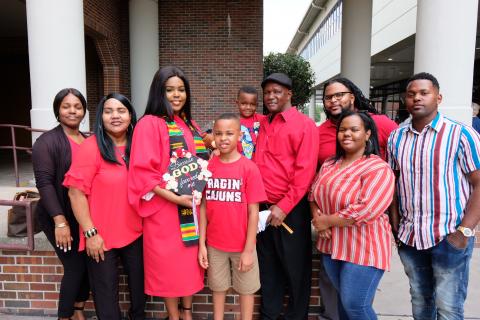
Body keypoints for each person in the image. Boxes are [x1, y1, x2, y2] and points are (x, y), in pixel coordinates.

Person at [388, 72, 480, 319]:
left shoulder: (461, 134)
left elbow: (479, 183)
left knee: (449, 308)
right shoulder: (396, 138)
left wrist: (465, 232)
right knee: (420, 301)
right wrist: (396, 225)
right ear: (405, 100)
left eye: (424, 93)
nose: (417, 98)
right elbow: (393, 183)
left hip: (449, 237)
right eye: (411, 94)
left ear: (438, 98)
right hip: (410, 238)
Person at [128, 66, 207, 320]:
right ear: (158, 92)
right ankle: (173, 316)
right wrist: (177, 198)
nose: (176, 95)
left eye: (181, 90)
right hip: (165, 210)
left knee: (189, 263)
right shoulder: (149, 124)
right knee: (169, 266)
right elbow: (144, 173)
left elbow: (199, 158)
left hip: (191, 206)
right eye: (169, 89)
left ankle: (186, 312)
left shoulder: (189, 123)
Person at [315, 78, 398, 320]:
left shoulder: (377, 168)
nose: (347, 134)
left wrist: (327, 221)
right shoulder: (330, 164)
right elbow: (314, 193)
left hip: (364, 247)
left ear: (368, 133)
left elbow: (366, 210)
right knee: (343, 305)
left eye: (354, 130)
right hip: (332, 246)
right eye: (342, 130)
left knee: (356, 305)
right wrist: (318, 218)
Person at [65, 93, 144, 320]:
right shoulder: (91, 148)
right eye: (108, 111)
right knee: (106, 295)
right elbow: (75, 193)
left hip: (136, 232)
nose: (115, 116)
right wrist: (90, 232)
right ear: (101, 117)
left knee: (139, 291)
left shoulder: (138, 146)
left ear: (130, 115)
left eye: (121, 111)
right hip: (100, 236)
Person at [254, 73, 319, 319]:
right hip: (262, 209)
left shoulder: (304, 125)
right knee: (268, 270)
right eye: (267, 92)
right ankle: (269, 315)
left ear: (289, 94)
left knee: (295, 271)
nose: (271, 96)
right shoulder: (264, 124)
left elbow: (305, 172)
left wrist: (283, 207)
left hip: (290, 211)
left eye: (277, 91)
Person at [198, 113, 267, 320]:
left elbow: (253, 211)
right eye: (218, 133)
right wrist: (202, 244)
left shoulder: (249, 168)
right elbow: (202, 206)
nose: (223, 138)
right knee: (218, 289)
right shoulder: (208, 167)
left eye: (229, 133)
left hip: (242, 245)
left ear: (239, 135)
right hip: (215, 245)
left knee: (246, 291)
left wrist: (248, 249)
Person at [32, 88, 89, 320]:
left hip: (82, 215)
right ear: (57, 110)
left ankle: (78, 312)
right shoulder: (46, 142)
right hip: (59, 216)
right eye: (66, 106)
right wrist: (60, 221)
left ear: (84, 110)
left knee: (87, 267)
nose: (72, 111)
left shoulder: (88, 139)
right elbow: (44, 183)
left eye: (77, 106)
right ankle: (64, 317)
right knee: (75, 268)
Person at [317, 77, 398, 166]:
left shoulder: (381, 123)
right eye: (328, 97)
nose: (333, 100)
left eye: (339, 95)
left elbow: (404, 157)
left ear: (352, 98)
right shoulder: (318, 133)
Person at [235, 86, 266, 159]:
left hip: (257, 165)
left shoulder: (262, 119)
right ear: (237, 103)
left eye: (252, 104)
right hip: (239, 164)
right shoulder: (232, 122)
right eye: (244, 104)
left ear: (257, 105)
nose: (248, 107)